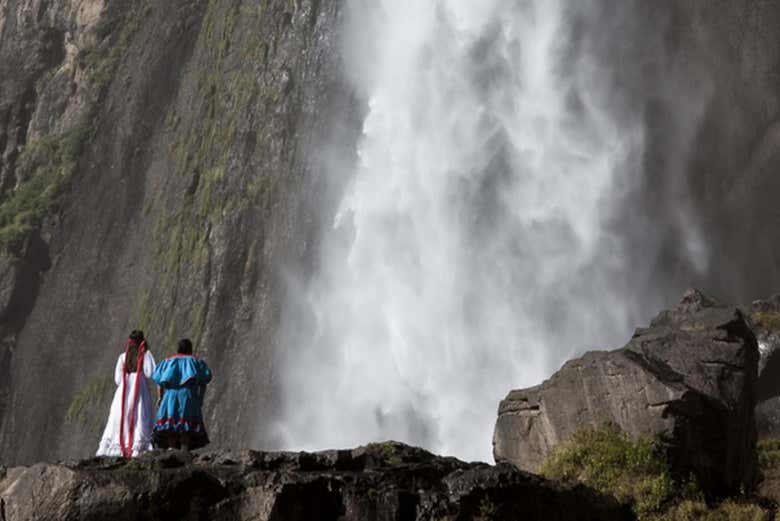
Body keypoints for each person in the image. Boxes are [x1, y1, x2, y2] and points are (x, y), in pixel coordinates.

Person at [96, 330, 157, 458]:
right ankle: (137, 446)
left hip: (123, 391)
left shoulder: (123, 357)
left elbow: (118, 379)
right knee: (139, 416)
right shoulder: (145, 355)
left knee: (121, 417)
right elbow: (150, 373)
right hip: (139, 390)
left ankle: (120, 445)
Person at [152, 338, 212, 451]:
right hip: (188, 395)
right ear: (190, 349)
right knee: (186, 425)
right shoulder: (195, 361)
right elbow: (203, 382)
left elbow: (159, 381)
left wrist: (160, 397)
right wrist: (201, 398)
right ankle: (184, 450)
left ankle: (172, 450)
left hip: (170, 396)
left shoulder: (167, 361)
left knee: (170, 425)